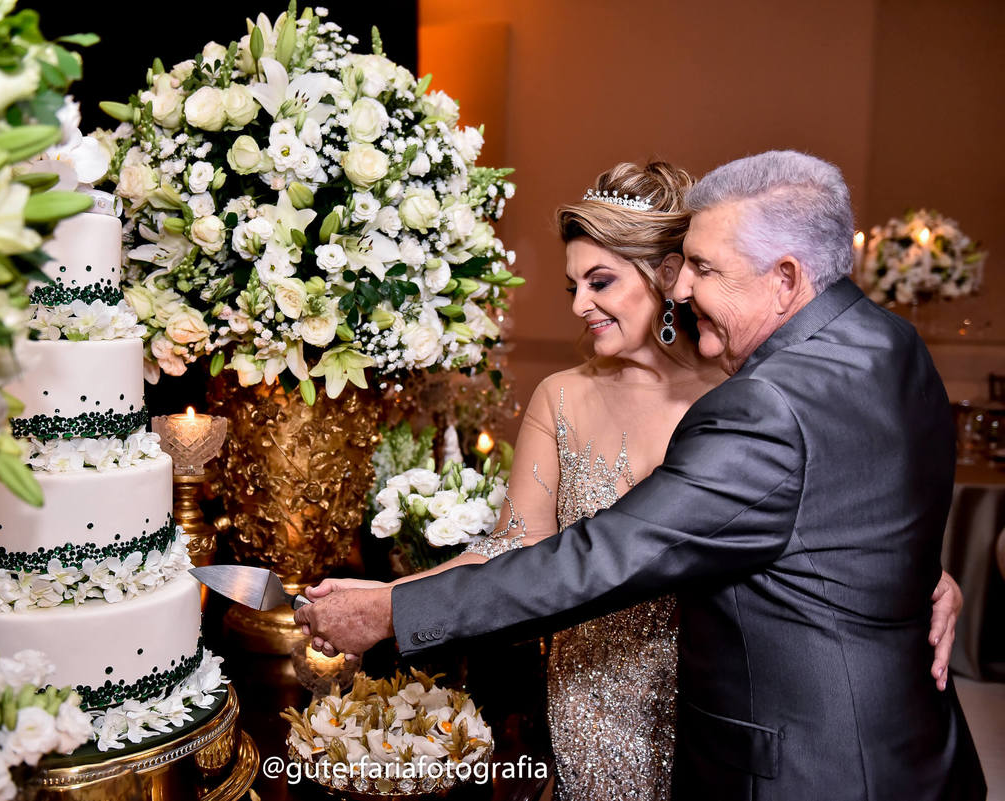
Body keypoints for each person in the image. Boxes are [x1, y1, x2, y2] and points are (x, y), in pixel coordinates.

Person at [298, 151, 985, 800]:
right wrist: (907, 572)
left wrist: (392, 611)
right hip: (902, 751)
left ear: (785, 279)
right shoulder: (892, 342)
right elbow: (858, 494)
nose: (682, 285)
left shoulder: (754, 401)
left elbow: (607, 556)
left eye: (703, 269)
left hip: (801, 762)